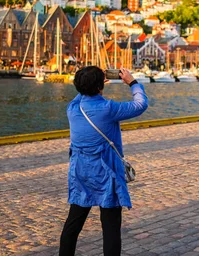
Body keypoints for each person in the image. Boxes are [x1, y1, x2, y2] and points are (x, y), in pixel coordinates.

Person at [59, 66, 148, 256]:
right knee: (110, 227)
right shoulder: (108, 109)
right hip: (106, 174)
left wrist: (92, 85)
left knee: (73, 223)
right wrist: (132, 82)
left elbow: (81, 95)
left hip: (81, 172)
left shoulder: (73, 109)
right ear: (101, 86)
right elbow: (140, 104)